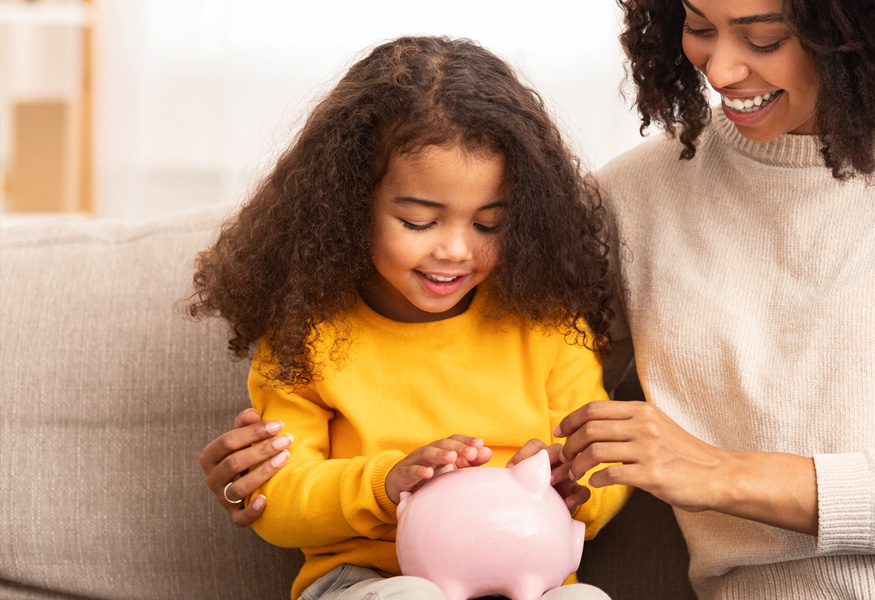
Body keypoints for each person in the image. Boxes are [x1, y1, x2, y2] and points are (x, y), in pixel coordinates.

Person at [203, 1, 875, 598]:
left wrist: (714, 472)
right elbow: (498, 365)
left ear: (865, 27)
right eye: (697, 24)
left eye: (762, 36)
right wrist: (278, 470)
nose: (720, 69)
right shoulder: (628, 203)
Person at [189, 36, 629, 600]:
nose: (455, 250)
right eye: (420, 222)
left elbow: (605, 462)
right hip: (371, 581)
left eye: (488, 225)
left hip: (530, 579)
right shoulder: (308, 336)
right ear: (350, 207)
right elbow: (275, 500)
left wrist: (577, 484)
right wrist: (384, 485)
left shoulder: (544, 326)